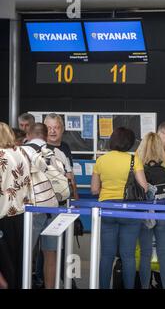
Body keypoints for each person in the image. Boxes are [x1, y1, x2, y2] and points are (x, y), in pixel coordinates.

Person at [91, 127, 149, 289]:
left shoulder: (101, 160)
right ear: (130, 143)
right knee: (128, 255)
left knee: (107, 255)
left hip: (107, 209)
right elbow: (143, 187)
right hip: (129, 210)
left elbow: (94, 189)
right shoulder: (133, 160)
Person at [21, 123, 69, 289]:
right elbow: (68, 178)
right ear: (46, 135)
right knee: (51, 254)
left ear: (28, 134)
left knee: (25, 253)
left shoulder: (20, 152)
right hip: (54, 209)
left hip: (30, 210)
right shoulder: (58, 153)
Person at [136, 132, 165, 289]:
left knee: (145, 254)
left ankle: (145, 286)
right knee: (164, 255)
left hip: (146, 213)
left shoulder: (139, 168)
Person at [0, 122, 33, 289]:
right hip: (22, 213)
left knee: (5, 267)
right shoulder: (22, 152)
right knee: (20, 262)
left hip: (3, 215)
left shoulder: (0, 156)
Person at [44, 113, 79, 200]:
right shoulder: (41, 148)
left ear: (62, 129)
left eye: (56, 127)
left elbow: (70, 174)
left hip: (64, 198)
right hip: (46, 199)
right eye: (49, 128)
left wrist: (75, 198)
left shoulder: (65, 147)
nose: (52, 131)